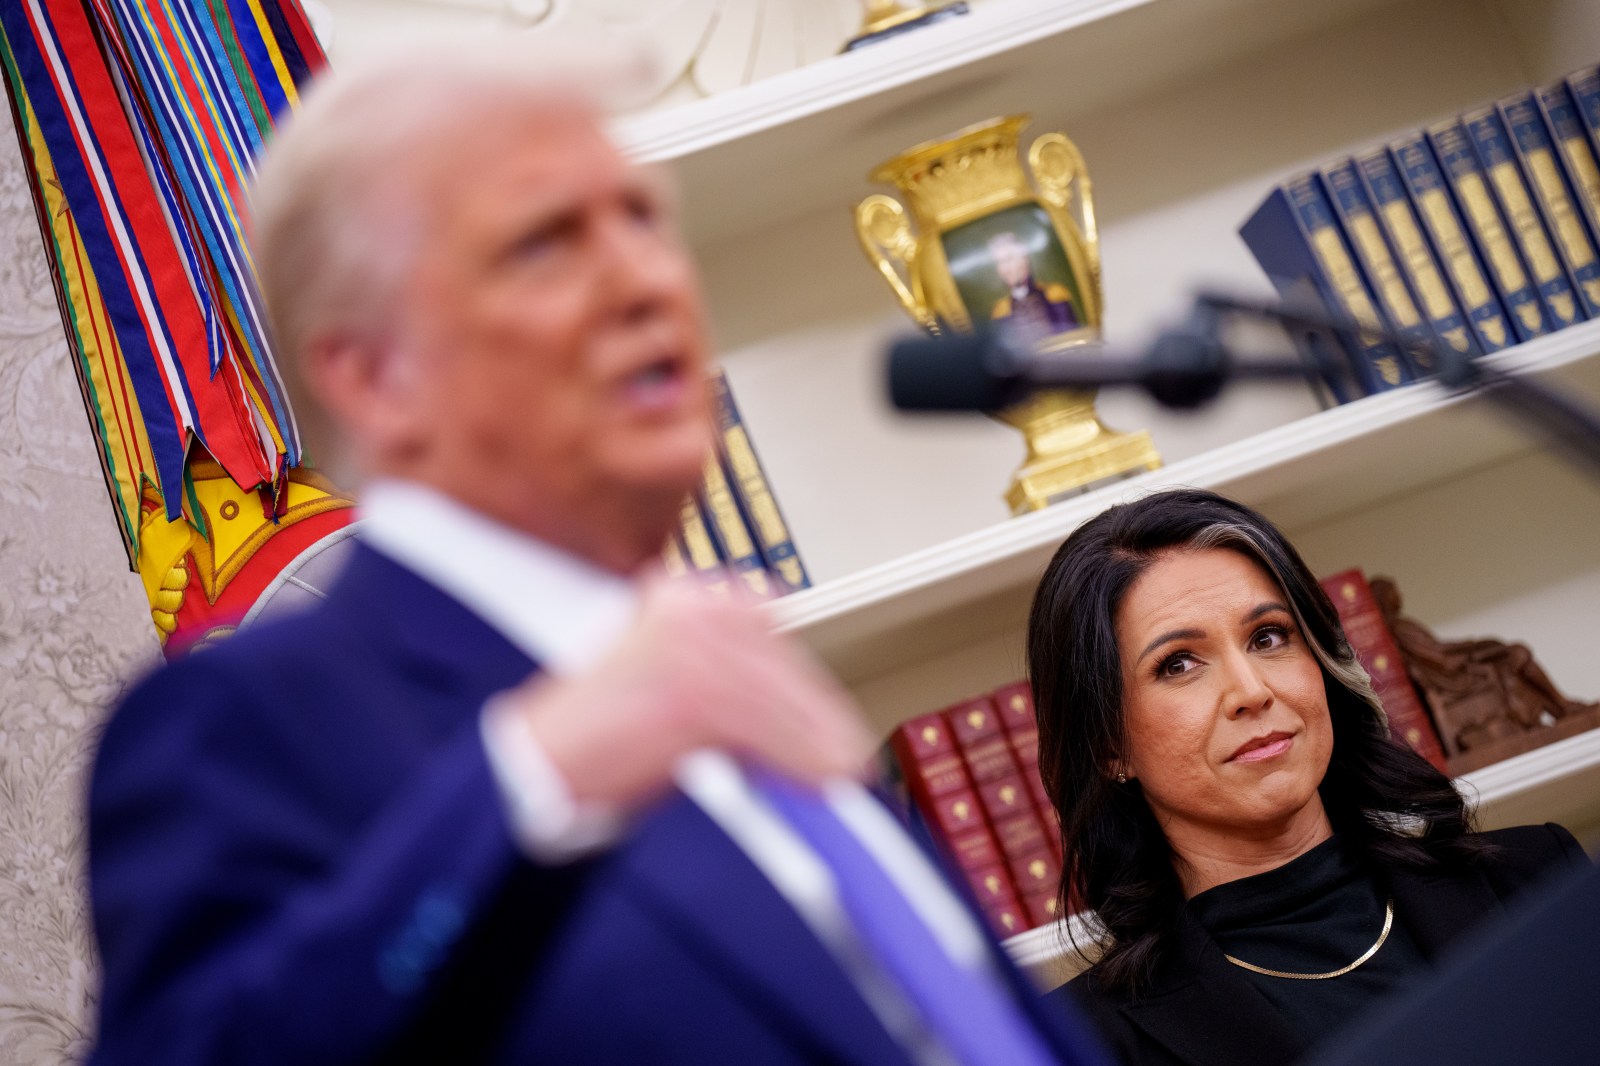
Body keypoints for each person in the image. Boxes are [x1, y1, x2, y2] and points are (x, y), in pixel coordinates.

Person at [84, 45, 1107, 1066]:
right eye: (544, 242)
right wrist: (539, 777)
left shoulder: (735, 677)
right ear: (373, 377)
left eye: (644, 217)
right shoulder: (251, 721)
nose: (644, 278)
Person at [1025, 488, 1590, 1066]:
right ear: (1107, 744)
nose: (1250, 691)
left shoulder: (1541, 880)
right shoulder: (1080, 1044)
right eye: (1179, 664)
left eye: (1268, 637)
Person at [987, 230, 1079, 339]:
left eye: (1009, 259)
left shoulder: (1055, 294)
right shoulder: (1000, 312)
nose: (1006, 269)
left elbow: (1071, 337)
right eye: (1000, 262)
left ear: (1025, 260)